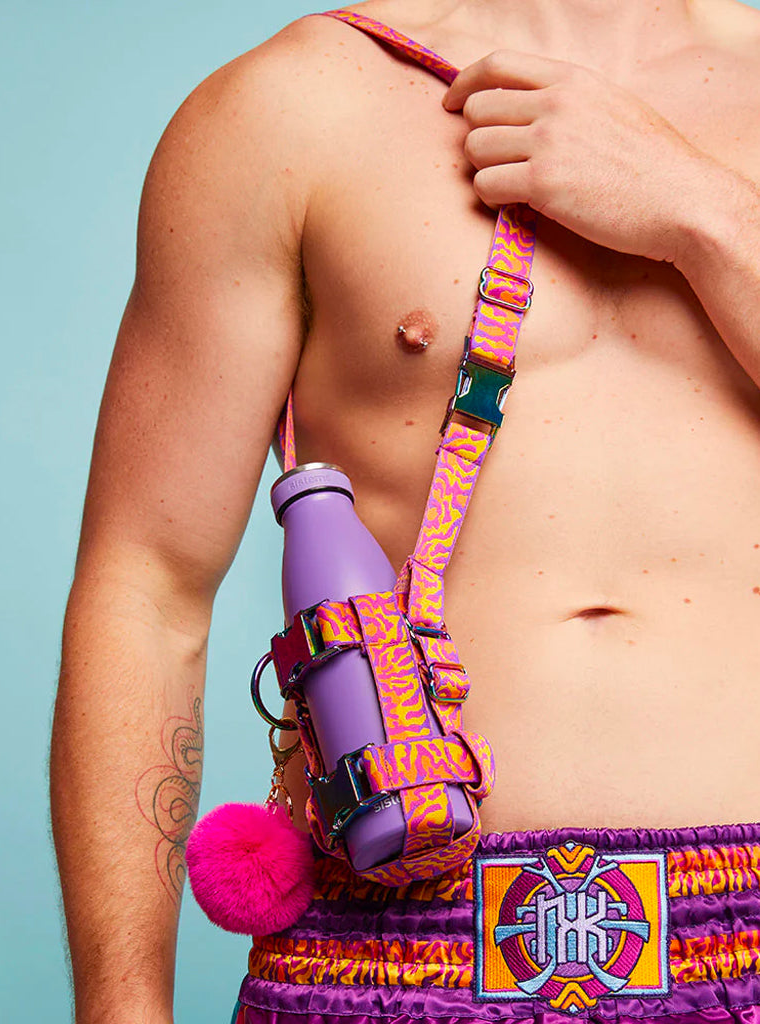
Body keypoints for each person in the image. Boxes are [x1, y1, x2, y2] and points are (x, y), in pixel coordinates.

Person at [50, 0, 760, 1021]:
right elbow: (147, 588)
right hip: (380, 940)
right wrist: (120, 1009)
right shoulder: (288, 109)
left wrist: (707, 214)